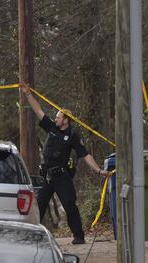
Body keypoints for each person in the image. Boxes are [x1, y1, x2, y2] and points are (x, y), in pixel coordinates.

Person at [19, 83, 111, 244]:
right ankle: (33, 236)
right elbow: (38, 110)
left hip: (62, 176)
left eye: (59, 117)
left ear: (66, 120)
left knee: (69, 204)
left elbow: (85, 154)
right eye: (56, 116)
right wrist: (27, 94)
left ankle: (78, 236)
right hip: (47, 176)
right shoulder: (52, 128)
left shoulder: (72, 136)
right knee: (39, 206)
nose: (56, 118)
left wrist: (98, 170)